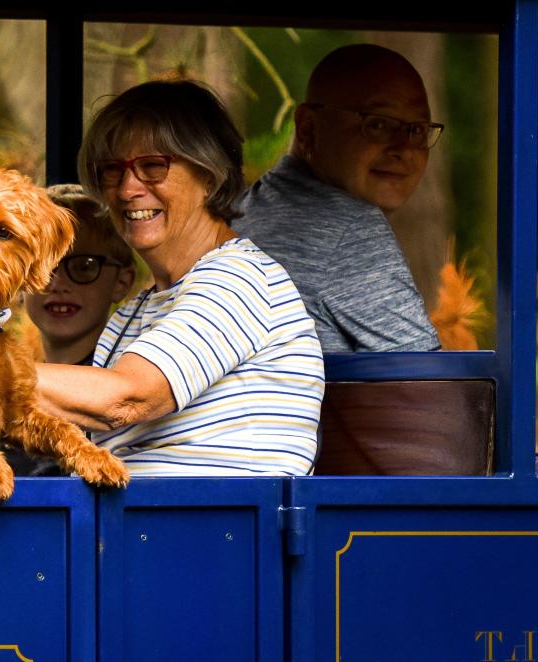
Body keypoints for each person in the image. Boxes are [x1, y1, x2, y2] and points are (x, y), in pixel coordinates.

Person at [35, 80, 323, 476]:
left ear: (210, 174)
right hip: (144, 528)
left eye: (153, 167)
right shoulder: (139, 308)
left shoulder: (239, 279)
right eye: (112, 171)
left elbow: (125, 398)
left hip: (217, 531)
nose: (127, 189)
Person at [233, 44, 443, 352]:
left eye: (417, 130)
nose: (404, 148)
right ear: (307, 129)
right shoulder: (351, 230)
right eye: (378, 124)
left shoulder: (246, 209)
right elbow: (429, 388)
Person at [24, 184, 136, 367]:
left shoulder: (126, 376)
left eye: (84, 267)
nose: (58, 283)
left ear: (122, 282)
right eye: (42, 265)